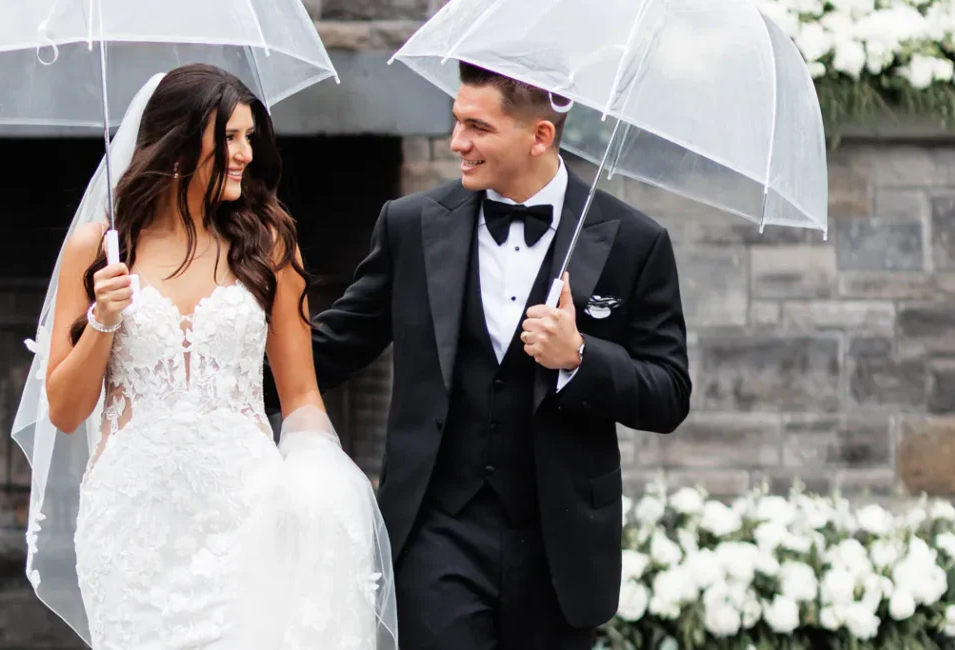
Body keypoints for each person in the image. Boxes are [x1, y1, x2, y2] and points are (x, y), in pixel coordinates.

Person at [287, 62, 692, 649]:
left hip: (561, 544)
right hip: (436, 533)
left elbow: (669, 393)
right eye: (456, 123)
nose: (457, 143)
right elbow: (336, 345)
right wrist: (221, 384)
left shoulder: (634, 240)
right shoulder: (410, 225)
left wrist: (579, 355)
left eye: (477, 127)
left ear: (539, 137)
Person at [17, 64, 398, 649]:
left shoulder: (269, 243)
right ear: (178, 142)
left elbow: (300, 395)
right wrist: (103, 319)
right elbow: (67, 412)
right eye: (230, 138)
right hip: (131, 522)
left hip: (247, 511)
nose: (246, 153)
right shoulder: (97, 247)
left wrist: (318, 485)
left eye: (250, 137)